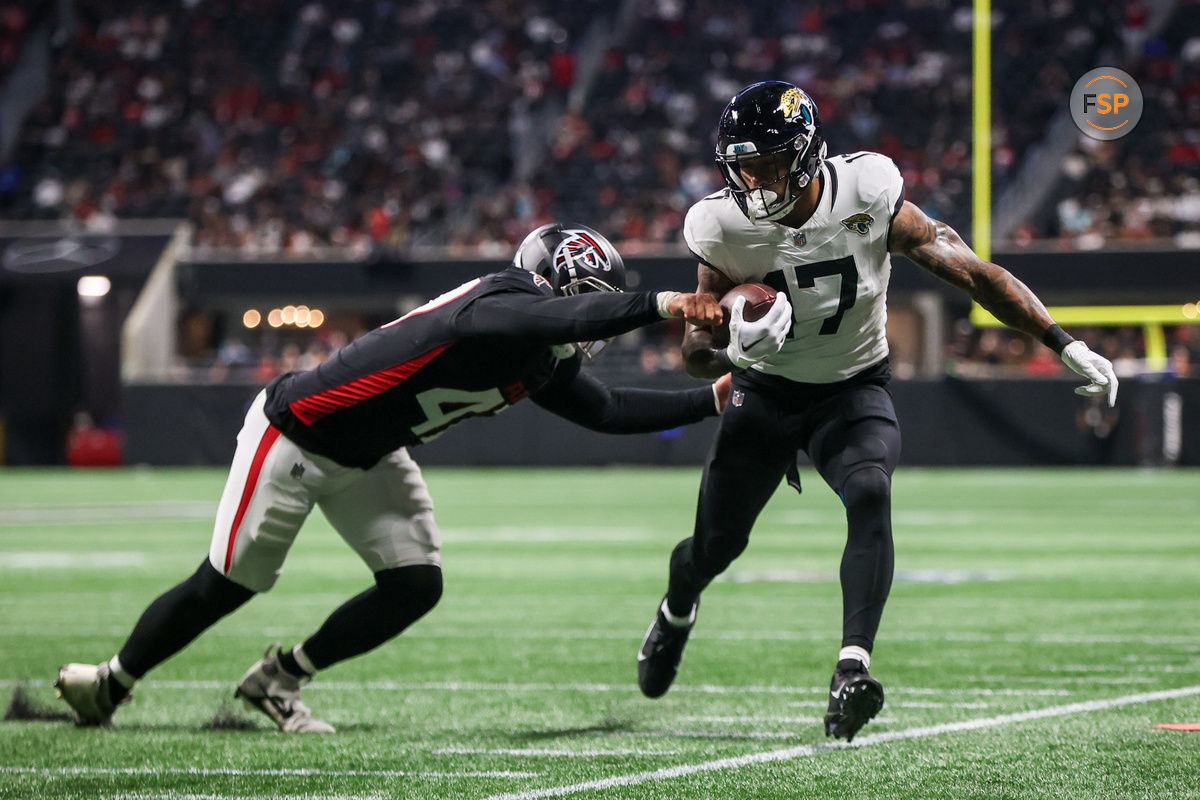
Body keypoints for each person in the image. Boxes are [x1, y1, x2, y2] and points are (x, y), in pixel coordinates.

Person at [56, 223, 730, 733]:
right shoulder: (499, 302)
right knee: (229, 583)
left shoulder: (541, 357)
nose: (589, 320)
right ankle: (110, 683)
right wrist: (664, 303)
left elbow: (607, 410)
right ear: (545, 280)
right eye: (585, 298)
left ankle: (280, 678)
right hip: (298, 432)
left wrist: (712, 400)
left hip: (371, 453)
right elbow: (554, 317)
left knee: (415, 582)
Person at [635, 81, 1119, 742]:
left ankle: (851, 669)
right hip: (765, 394)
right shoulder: (720, 224)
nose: (753, 182)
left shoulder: (867, 192)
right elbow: (695, 346)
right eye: (742, 167)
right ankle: (676, 608)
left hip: (851, 387)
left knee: (869, 490)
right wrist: (728, 344)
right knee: (716, 547)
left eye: (768, 165)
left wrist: (1065, 343)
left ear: (805, 156)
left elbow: (974, 272)